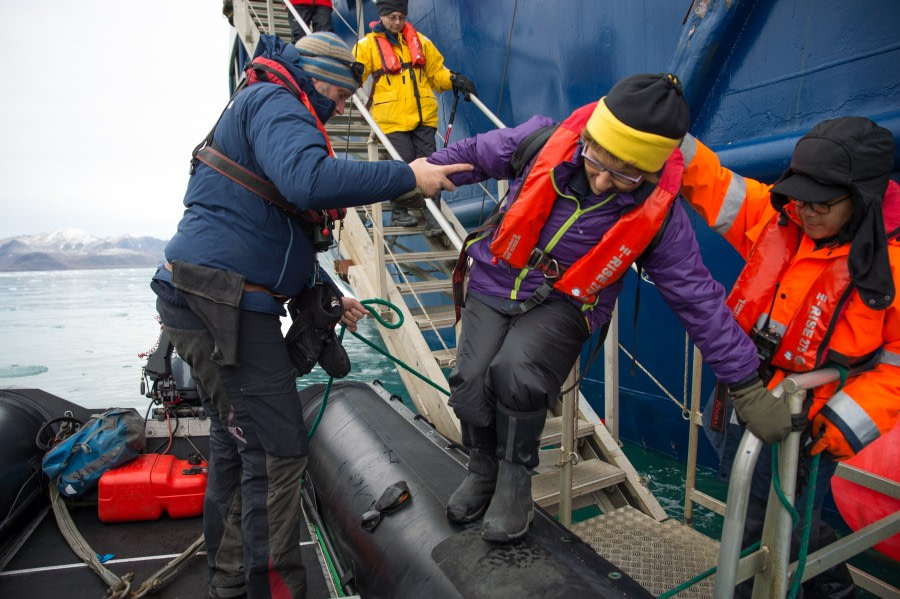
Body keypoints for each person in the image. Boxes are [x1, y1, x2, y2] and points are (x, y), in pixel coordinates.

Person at [150, 32, 469, 599]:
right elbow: (308, 181)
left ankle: (226, 584)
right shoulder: (279, 101)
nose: (344, 107)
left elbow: (270, 225)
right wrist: (407, 176)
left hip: (204, 294)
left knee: (235, 444)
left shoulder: (266, 101)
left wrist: (320, 290)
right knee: (277, 451)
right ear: (319, 77)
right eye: (343, 95)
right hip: (222, 302)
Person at [426, 73, 778, 544]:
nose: (602, 179)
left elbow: (698, 299)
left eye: (625, 174)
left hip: (569, 301)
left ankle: (514, 478)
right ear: (587, 139)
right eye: (596, 160)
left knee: (517, 371)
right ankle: (483, 466)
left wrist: (746, 385)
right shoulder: (540, 140)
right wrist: (419, 171)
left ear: (650, 173)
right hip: (496, 277)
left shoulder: (661, 216)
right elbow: (473, 153)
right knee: (469, 378)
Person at [682, 117, 900, 598]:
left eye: (822, 203)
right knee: (782, 515)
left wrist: (841, 424)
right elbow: (713, 183)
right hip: (741, 396)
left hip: (808, 425)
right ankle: (834, 589)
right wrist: (664, 129)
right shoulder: (780, 217)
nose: (806, 212)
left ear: (860, 200)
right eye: (799, 198)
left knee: (766, 521)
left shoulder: (893, 264)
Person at [353, 0, 478, 233]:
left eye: (401, 17)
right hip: (391, 119)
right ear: (381, 16)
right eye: (392, 17)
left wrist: (454, 80)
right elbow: (355, 76)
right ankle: (400, 212)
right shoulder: (366, 46)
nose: (397, 22)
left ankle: (434, 219)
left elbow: (436, 72)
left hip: (424, 117)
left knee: (433, 165)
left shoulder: (420, 41)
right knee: (403, 163)